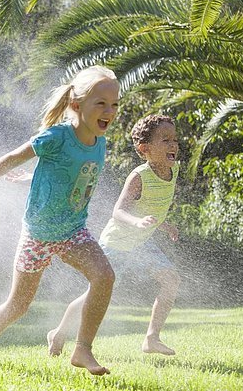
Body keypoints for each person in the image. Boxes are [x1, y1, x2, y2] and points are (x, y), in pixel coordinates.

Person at [0, 65, 119, 376]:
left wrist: (33, 180)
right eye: (101, 103)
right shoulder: (57, 136)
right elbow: (15, 156)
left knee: (105, 277)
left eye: (114, 105)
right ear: (76, 105)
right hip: (38, 235)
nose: (109, 111)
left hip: (72, 231)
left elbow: (68, 176)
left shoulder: (100, 142)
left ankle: (83, 349)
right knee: (18, 305)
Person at [47, 114, 181, 357]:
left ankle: (151, 338)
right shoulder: (139, 177)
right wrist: (138, 222)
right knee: (95, 292)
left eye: (174, 139)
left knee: (171, 279)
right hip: (117, 243)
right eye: (165, 140)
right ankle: (59, 332)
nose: (173, 145)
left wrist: (164, 225)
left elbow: (153, 207)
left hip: (140, 242)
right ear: (145, 149)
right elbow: (118, 211)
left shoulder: (174, 170)